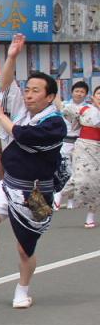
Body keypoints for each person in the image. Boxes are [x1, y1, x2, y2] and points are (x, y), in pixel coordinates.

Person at [0, 33, 65, 309]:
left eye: (36, 90)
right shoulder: (22, 110)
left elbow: (25, 136)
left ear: (49, 96)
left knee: (26, 248)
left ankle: (22, 288)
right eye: (28, 89)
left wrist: (0, 116)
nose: (29, 94)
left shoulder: (55, 123)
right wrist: (12, 56)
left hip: (37, 191)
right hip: (9, 183)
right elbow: (7, 83)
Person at [61, 85, 100, 228]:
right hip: (84, 146)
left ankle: (91, 215)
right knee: (80, 177)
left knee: (97, 182)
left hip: (98, 149)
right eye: (98, 94)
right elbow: (66, 110)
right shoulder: (86, 110)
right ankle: (59, 195)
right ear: (93, 97)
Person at [54, 81, 89, 209]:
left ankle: (70, 200)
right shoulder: (66, 105)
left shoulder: (88, 108)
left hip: (80, 143)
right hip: (65, 142)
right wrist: (56, 85)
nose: (79, 94)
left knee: (77, 171)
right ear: (72, 92)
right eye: (77, 91)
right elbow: (57, 102)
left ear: (86, 94)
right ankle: (58, 196)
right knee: (66, 171)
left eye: (82, 92)